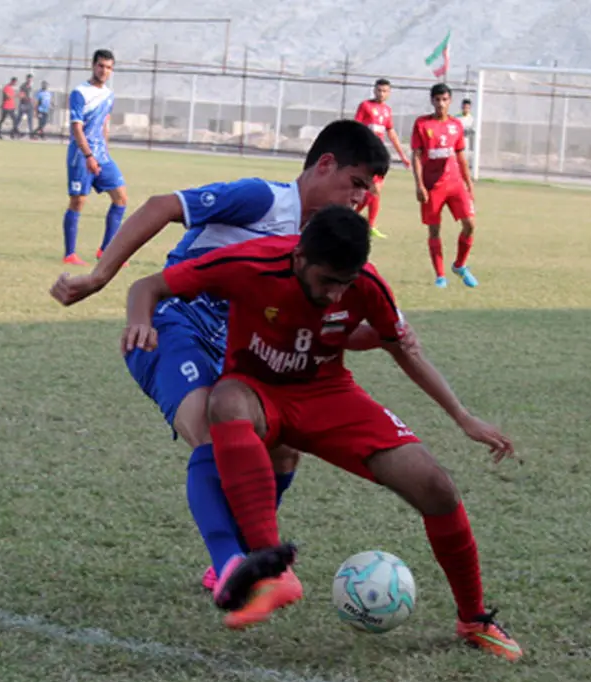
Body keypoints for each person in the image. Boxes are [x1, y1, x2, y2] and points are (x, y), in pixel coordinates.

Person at [121, 206, 523, 662]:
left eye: (345, 284)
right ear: (299, 259)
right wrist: (140, 320)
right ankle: (272, 570)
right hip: (259, 393)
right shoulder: (251, 263)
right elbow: (147, 286)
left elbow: (402, 347)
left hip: (329, 396)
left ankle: (474, 620)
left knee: (437, 488)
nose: (336, 295)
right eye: (328, 281)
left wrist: (463, 416)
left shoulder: (366, 284)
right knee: (225, 400)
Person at [52, 120, 395, 592]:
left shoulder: (315, 247)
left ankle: (236, 555)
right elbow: (161, 206)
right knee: (211, 434)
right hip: (173, 325)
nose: (360, 198)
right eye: (356, 183)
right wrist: (99, 276)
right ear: (325, 165)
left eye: (367, 191)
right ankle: (232, 566)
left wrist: (373, 335)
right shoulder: (263, 200)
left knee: (283, 450)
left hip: (234, 354)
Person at [64, 49, 127, 267]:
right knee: (78, 201)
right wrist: (89, 155)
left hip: (102, 155)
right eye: (101, 66)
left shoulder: (109, 95)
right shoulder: (79, 93)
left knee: (121, 197)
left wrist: (104, 153)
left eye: (109, 67)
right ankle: (70, 254)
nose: (104, 71)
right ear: (93, 66)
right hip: (81, 156)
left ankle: (106, 250)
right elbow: (76, 128)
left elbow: (104, 125)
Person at [411, 83, 478, 289]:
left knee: (470, 225)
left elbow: (460, 156)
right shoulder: (422, 124)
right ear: (432, 100)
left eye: (445, 100)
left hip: (455, 183)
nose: (441, 104)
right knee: (434, 231)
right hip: (432, 187)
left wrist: (468, 183)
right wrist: (419, 185)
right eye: (437, 100)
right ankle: (440, 276)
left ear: (450, 101)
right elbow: (416, 155)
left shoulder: (456, 125)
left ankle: (459, 265)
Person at [353, 78, 411, 239]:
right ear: (374, 90)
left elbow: (391, 133)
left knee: (376, 192)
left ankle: (369, 225)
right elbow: (356, 128)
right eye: (379, 90)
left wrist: (403, 156)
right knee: (373, 189)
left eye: (385, 91)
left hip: (379, 154)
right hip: (366, 154)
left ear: (389, 93)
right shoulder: (365, 106)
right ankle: (354, 216)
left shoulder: (387, 111)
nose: (381, 93)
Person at [17, 74, 35, 139]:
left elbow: (31, 96)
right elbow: (21, 95)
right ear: (26, 79)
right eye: (29, 79)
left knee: (30, 120)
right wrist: (26, 98)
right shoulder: (23, 86)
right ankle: (14, 131)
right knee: (19, 119)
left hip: (29, 105)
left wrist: (32, 101)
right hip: (23, 104)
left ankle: (31, 134)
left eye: (31, 79)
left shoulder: (31, 87)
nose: (30, 80)